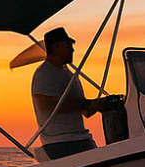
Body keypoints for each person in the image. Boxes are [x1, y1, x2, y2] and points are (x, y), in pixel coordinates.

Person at [30, 27, 103, 159]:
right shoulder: (45, 73)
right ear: (56, 47)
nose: (72, 49)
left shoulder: (68, 73)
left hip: (81, 139)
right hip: (61, 143)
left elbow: (84, 111)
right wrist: (85, 104)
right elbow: (46, 106)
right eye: (68, 46)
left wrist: (99, 105)